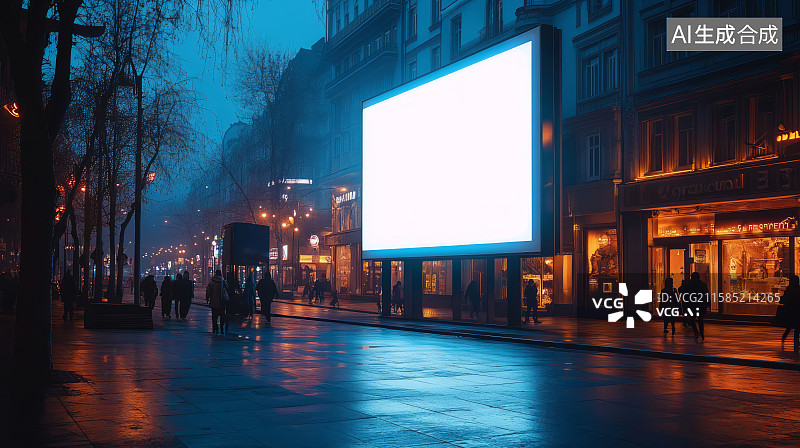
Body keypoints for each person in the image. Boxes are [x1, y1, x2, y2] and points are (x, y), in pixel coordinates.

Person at [686, 272, 710, 340]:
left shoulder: (689, 284)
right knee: (700, 319)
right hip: (700, 304)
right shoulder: (702, 284)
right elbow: (706, 294)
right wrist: (707, 303)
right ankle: (701, 333)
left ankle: (696, 332)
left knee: (692, 319)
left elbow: (686, 294)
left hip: (692, 304)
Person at [779, 274, 800, 345]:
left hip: (790, 309)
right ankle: (796, 340)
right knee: (797, 326)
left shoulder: (789, 288)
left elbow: (786, 298)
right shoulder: (798, 288)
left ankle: (784, 337)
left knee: (790, 326)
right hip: (797, 309)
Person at [206, 270, 228, 334]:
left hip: (214, 301)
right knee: (222, 315)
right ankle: (221, 327)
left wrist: (207, 299)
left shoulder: (211, 283)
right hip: (222, 301)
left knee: (214, 316)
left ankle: (215, 328)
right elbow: (227, 288)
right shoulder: (223, 282)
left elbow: (208, 292)